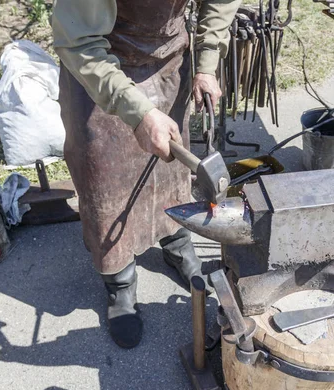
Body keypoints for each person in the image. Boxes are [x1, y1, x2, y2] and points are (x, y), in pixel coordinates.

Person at [51, 0, 241, 348]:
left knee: (169, 176)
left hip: (170, 62)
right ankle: (119, 282)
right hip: (101, 73)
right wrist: (139, 113)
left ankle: (177, 242)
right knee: (105, 187)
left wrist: (208, 63)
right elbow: (78, 42)